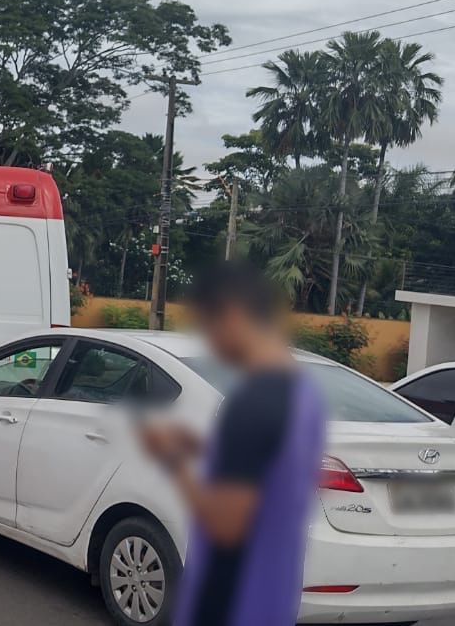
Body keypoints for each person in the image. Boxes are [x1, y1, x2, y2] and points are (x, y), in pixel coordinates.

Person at [140, 262, 326, 626]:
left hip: (231, 603)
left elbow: (226, 524)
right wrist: (204, 448)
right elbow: (267, 470)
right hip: (273, 598)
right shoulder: (304, 393)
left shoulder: (254, 401)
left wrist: (173, 460)